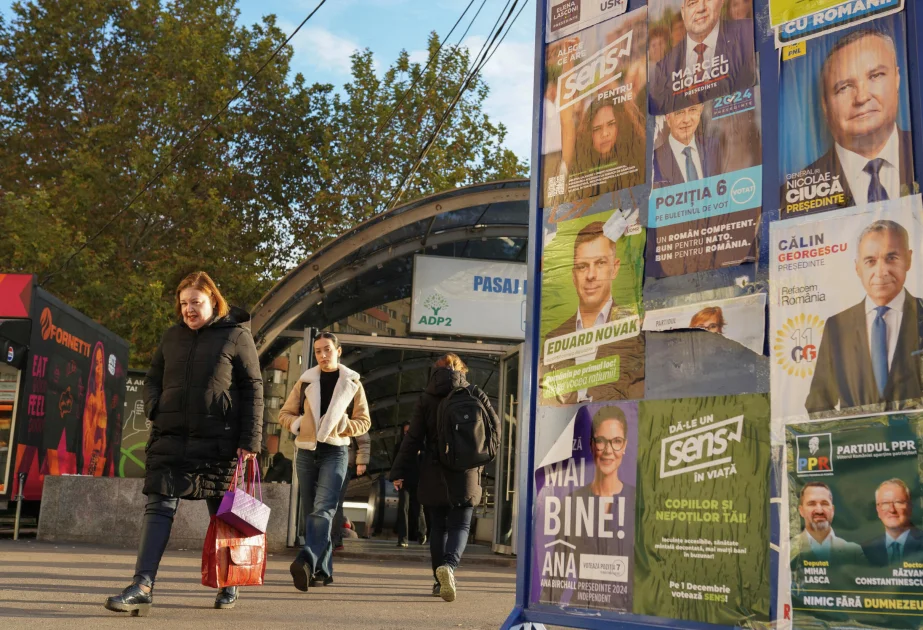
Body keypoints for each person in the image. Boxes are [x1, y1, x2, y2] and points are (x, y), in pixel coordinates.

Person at [104, 271, 263, 615]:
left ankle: (229, 581)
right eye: (184, 303)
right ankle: (142, 585)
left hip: (218, 442)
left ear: (213, 301)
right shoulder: (171, 337)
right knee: (158, 507)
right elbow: (152, 378)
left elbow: (253, 387)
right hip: (171, 437)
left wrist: (250, 439)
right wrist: (155, 407)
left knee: (223, 516)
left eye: (196, 302)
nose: (189, 309)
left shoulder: (236, 335)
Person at [389, 354, 499, 602]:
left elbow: (412, 439)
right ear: (462, 370)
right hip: (467, 470)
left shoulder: (426, 398)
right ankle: (449, 567)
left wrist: (397, 472)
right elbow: (495, 429)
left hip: (433, 469)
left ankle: (439, 584)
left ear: (434, 372)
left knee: (438, 527)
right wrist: (483, 457)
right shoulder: (474, 392)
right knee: (460, 524)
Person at [279, 331, 371, 592]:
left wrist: (344, 425)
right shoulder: (306, 380)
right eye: (318, 351)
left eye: (327, 349)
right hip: (307, 451)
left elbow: (364, 421)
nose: (322, 355)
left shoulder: (353, 382)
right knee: (313, 514)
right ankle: (323, 571)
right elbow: (284, 413)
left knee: (323, 510)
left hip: (335, 451)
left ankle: (306, 558)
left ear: (338, 351)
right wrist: (298, 425)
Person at [787, 30, 914, 214]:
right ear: (825, 104)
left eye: (875, 76)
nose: (861, 97)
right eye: (844, 87)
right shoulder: (790, 197)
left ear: (897, 78)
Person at [806, 220, 922, 415]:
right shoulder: (837, 327)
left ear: (908, 259)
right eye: (870, 261)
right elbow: (818, 403)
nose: (881, 271)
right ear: (857, 267)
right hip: (857, 444)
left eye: (891, 258)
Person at [540, 222, 645, 405]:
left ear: (615, 268)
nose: (591, 275)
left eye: (600, 263)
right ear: (573, 275)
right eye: (582, 266)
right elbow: (547, 398)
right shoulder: (553, 339)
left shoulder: (636, 331)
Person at [541, 406, 635, 610]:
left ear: (625, 446)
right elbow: (559, 565)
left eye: (616, 441)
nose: (608, 450)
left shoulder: (639, 502)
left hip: (630, 614)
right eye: (601, 441)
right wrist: (544, 609)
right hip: (585, 608)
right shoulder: (572, 502)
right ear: (592, 445)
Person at [650, 0, 756, 114]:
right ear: (683, 12)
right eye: (692, 3)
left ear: (721, 2)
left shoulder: (748, 34)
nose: (700, 8)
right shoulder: (664, 68)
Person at [790, 482, 864, 566]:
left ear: (832, 510)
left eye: (824, 503)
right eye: (812, 504)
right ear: (801, 511)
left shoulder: (854, 551)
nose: (819, 510)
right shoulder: (788, 550)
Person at [653, 103, 721, 188]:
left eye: (692, 110)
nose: (686, 120)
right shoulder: (653, 161)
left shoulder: (716, 148)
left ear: (700, 111)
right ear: (667, 117)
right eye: (679, 112)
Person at [862, 479, 923, 567]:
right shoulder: (865, 550)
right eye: (885, 503)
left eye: (898, 502)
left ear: (910, 507)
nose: (892, 510)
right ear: (878, 510)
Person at [332, 432, 370, 551]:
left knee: (336, 503)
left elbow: (363, 438)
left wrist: (361, 462)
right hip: (331, 459)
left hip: (343, 461)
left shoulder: (349, 413)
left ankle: (335, 540)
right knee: (333, 502)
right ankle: (334, 540)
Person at [394, 422, 426, 547]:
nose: (407, 434)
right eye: (405, 432)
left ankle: (422, 532)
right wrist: (396, 478)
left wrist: (419, 454)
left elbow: (426, 465)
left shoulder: (422, 447)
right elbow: (395, 464)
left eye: (409, 432)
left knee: (418, 509)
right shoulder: (399, 447)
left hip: (418, 481)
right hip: (404, 481)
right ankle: (403, 539)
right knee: (403, 508)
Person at [81, 342, 108, 475]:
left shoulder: (102, 395)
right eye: (96, 363)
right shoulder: (90, 396)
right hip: (90, 453)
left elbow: (102, 428)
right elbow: (87, 433)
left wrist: (102, 447)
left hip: (99, 452)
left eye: (101, 362)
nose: (99, 367)